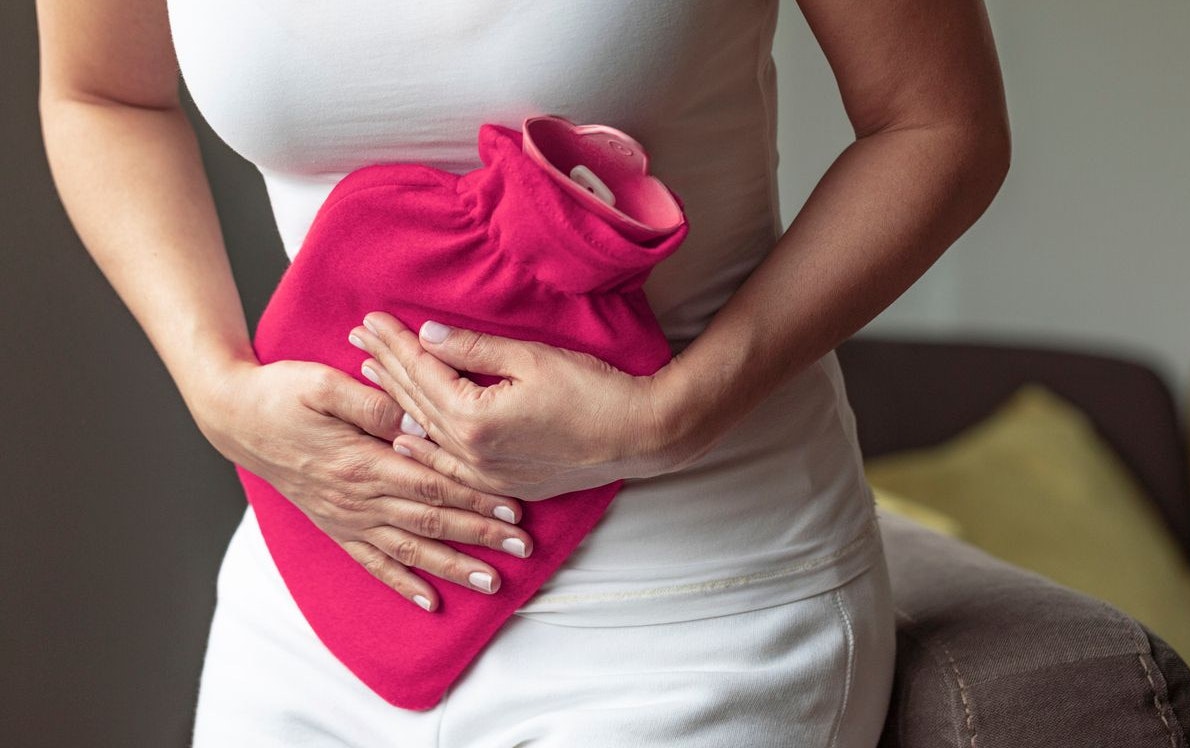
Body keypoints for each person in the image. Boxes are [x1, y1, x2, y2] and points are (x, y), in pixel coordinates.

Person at [35, 0, 1009, 745]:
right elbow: (100, 92)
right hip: (319, 594)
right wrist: (215, 386)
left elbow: (936, 123)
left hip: (694, 605)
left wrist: (670, 413)